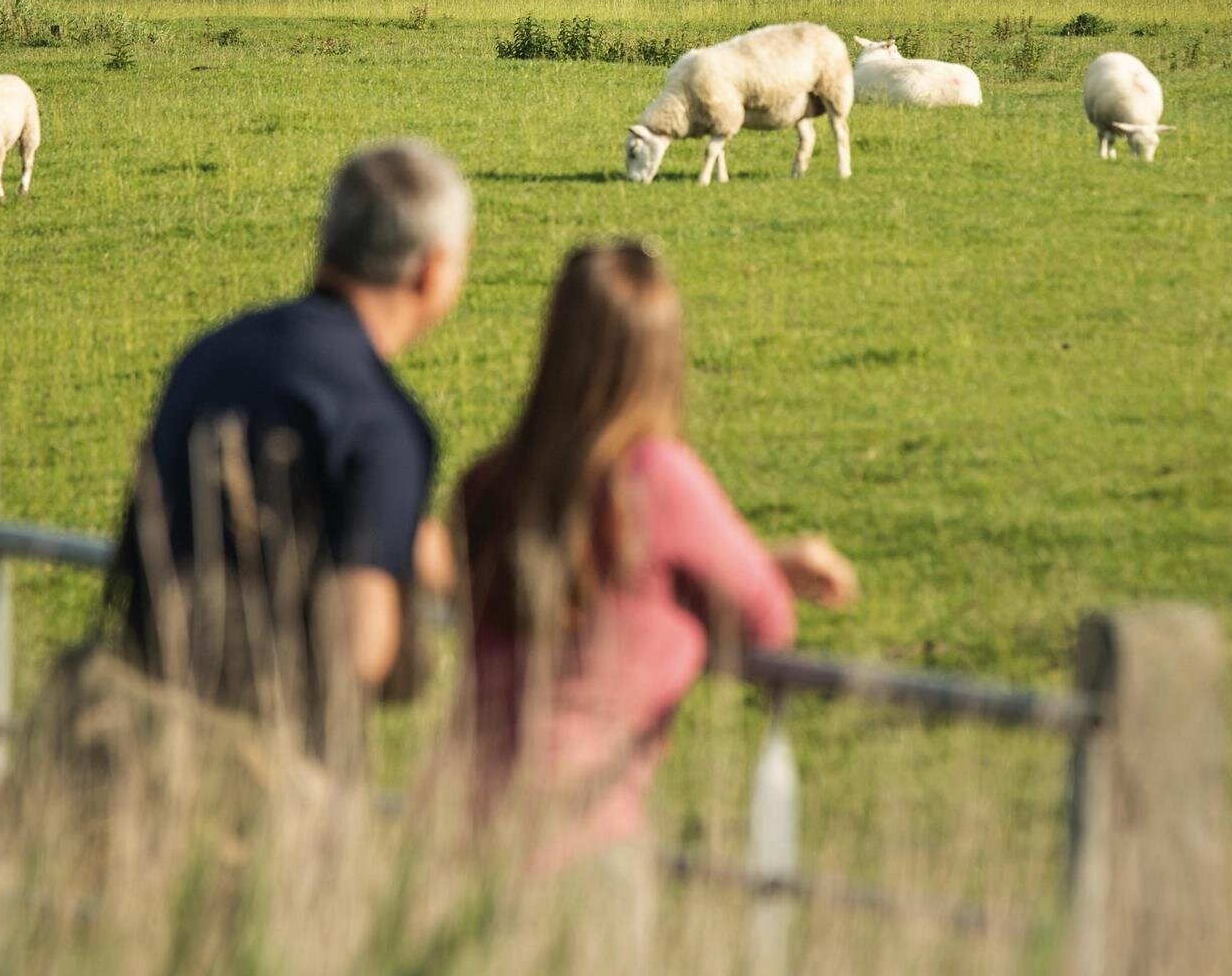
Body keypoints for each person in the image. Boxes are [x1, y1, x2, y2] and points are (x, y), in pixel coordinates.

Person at [457, 241, 857, 868]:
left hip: (458, 826)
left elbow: (596, 576)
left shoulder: (486, 484)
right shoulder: (656, 479)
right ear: (661, 359)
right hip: (580, 832)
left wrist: (753, 561)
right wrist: (754, 573)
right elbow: (767, 625)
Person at [104, 139, 471, 746]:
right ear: (432, 270)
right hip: (276, 774)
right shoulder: (383, 424)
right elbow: (362, 651)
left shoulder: (210, 355)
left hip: (139, 735)